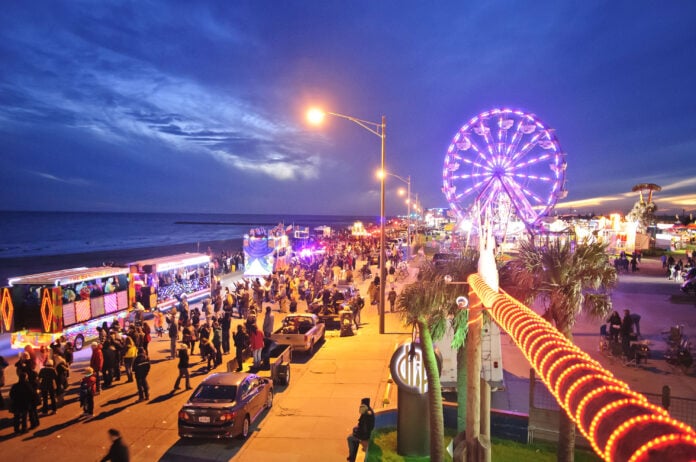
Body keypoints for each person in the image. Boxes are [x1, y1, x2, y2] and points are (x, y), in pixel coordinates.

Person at [347, 397, 375, 462]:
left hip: (364, 437)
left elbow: (364, 431)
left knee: (349, 438)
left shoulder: (366, 416)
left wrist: (356, 434)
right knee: (354, 430)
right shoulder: (367, 412)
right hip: (363, 433)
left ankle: (352, 456)